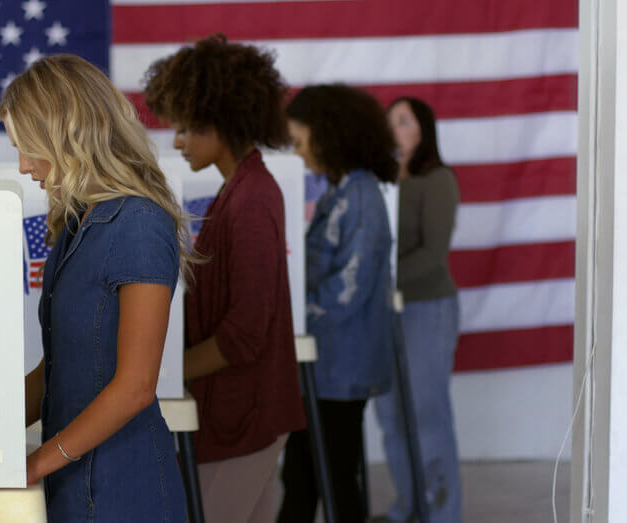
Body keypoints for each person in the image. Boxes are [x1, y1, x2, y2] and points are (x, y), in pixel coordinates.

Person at [0, 54, 194, 522]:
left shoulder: (140, 222)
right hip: (73, 480)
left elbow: (136, 387)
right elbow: (57, 369)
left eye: (29, 147)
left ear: (67, 136)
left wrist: (34, 464)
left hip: (124, 488)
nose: (24, 166)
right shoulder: (76, 222)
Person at [143, 34, 306, 523]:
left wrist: (158, 376)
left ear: (221, 120)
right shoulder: (241, 190)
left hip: (247, 414)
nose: (175, 140)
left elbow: (245, 333)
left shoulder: (252, 199)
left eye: (187, 127)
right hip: (243, 412)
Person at [277, 84, 398, 523]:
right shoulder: (340, 192)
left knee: (331, 478)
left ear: (328, 135)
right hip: (325, 365)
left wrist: (287, 315)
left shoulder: (360, 198)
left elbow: (348, 288)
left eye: (299, 142)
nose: (298, 153)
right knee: (306, 475)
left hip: (341, 368)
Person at [373, 97, 462, 523]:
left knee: (427, 413)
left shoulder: (438, 179)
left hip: (427, 308)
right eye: (390, 122)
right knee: (390, 416)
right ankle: (409, 506)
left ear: (423, 130)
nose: (395, 129)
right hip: (383, 312)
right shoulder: (380, 181)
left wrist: (381, 279)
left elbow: (434, 252)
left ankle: (442, 513)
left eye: (404, 121)